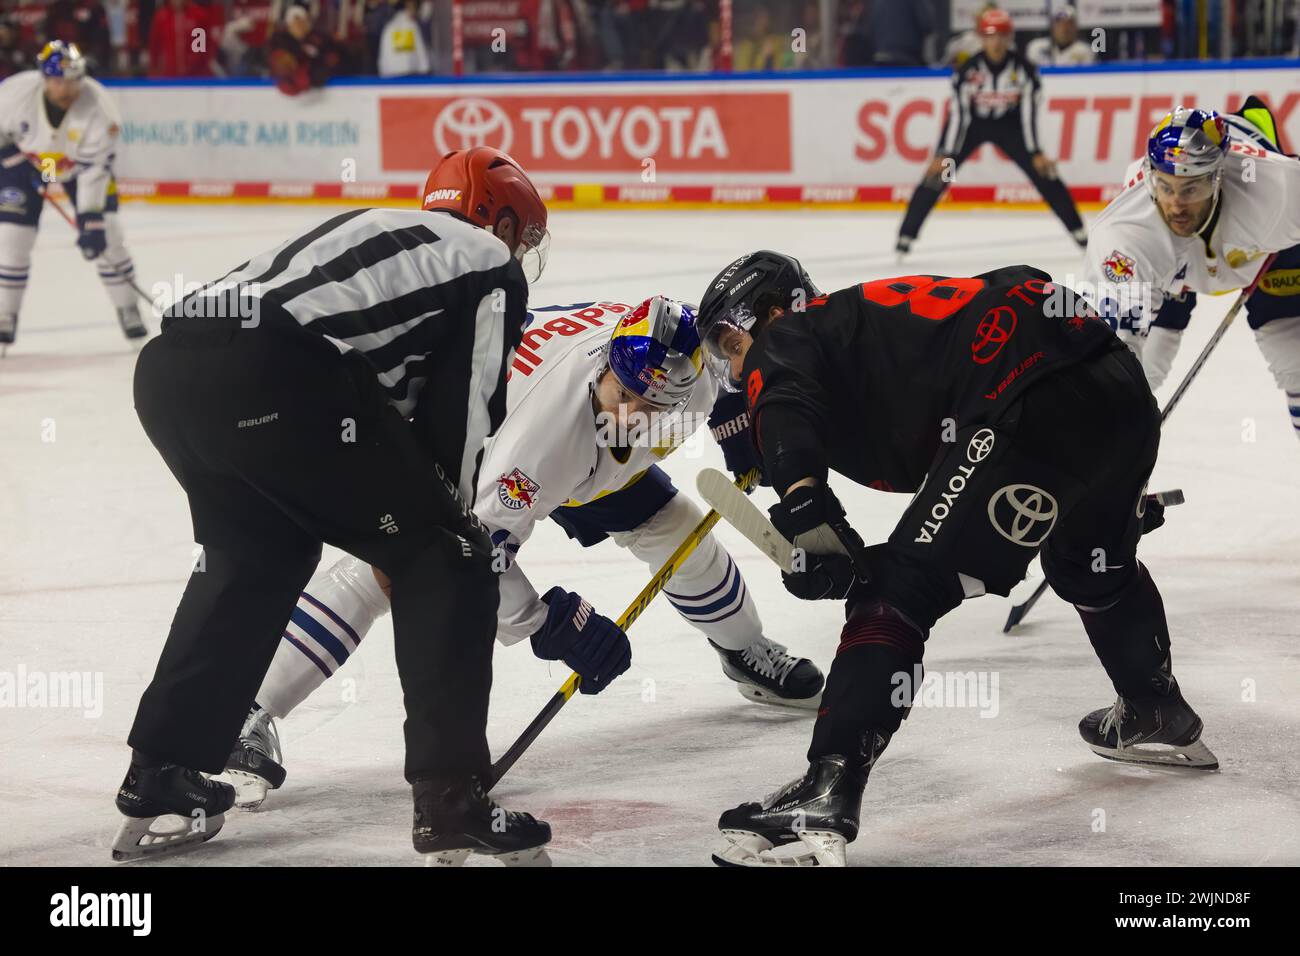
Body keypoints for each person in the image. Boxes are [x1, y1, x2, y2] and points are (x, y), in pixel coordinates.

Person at [694, 250, 1215, 867]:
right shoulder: (868, 323)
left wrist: (804, 503)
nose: (734, 363)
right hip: (1115, 391)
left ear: (774, 310)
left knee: (896, 592)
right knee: (1086, 560)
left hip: (1025, 399)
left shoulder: (788, 334)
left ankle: (827, 789)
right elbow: (1025, 286)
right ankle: (1154, 706)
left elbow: (783, 399)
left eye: (731, 343)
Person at [112, 146, 554, 867]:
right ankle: (451, 800)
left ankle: (162, 771)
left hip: (169, 373)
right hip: (273, 372)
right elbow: (462, 417)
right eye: (521, 232)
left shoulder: (391, 234)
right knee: (446, 557)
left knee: (256, 555)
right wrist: (453, 527)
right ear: (494, 218)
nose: (521, 252)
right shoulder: (485, 263)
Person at [223, 295, 826, 808]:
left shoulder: (684, 353)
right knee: (389, 568)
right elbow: (475, 551)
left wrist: (738, 427)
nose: (631, 415)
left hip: (574, 449)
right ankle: (245, 708)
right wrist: (548, 624)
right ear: (608, 363)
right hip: (461, 438)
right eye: (625, 393)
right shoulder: (537, 448)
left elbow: (726, 372)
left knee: (676, 527)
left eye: (653, 407)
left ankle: (745, 653)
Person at [1082, 103, 1300, 440]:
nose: (1175, 204)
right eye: (1165, 187)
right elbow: (1114, 350)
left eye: (1191, 189)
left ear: (1218, 177)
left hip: (1265, 248)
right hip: (1170, 263)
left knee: (1296, 364)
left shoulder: (1278, 193)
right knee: (1135, 376)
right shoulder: (1128, 234)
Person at [896, 7, 1086, 259]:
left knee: (1043, 173)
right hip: (972, 126)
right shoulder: (968, 71)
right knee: (939, 173)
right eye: (990, 36)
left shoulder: (1025, 70)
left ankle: (1079, 232)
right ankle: (905, 236)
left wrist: (1035, 152)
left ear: (1010, 38)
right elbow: (959, 116)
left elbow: (1028, 114)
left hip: (1010, 126)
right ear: (981, 38)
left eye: (1001, 36)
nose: (996, 42)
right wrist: (945, 153)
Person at [0, 41, 143, 348]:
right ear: (43, 77)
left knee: (110, 235)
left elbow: (95, 169)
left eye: (72, 80)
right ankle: (5, 315)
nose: (66, 89)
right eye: (57, 81)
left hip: (79, 169)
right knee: (12, 238)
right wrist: (12, 160)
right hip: (26, 163)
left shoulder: (101, 109)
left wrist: (91, 216)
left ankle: (127, 306)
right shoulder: (14, 94)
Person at [1025, 6, 1095, 67]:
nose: (1064, 28)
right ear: (1052, 26)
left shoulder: (1085, 51)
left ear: (1075, 27)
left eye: (1069, 24)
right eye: (1060, 23)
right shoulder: (1036, 47)